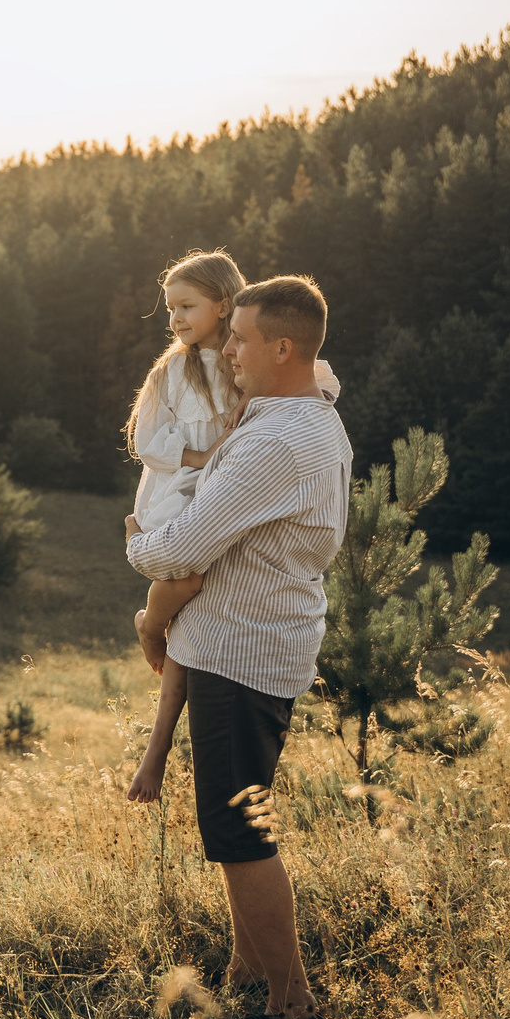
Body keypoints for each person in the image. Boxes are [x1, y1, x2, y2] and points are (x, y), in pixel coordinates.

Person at [123, 275, 351, 1019]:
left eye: (241, 338)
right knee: (236, 828)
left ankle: (291, 1003)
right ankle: (248, 967)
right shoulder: (311, 417)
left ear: (282, 348)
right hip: (258, 646)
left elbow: (184, 546)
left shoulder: (275, 442)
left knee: (240, 838)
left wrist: (136, 544)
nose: (226, 349)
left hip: (240, 659)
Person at [123, 251, 339, 803]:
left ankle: (150, 627)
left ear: (223, 306)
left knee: (186, 597)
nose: (174, 318)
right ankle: (156, 735)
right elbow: (146, 441)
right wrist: (202, 457)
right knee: (186, 596)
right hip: (182, 489)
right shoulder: (174, 371)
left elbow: (317, 378)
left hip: (225, 501)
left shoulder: (263, 382)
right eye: (169, 307)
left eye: (186, 306)